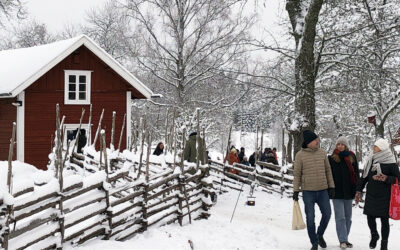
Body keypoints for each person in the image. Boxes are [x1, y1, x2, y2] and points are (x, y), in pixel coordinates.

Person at [293, 130, 335, 250]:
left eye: (317, 139)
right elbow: (297, 175)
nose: (317, 141)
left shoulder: (322, 153)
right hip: (308, 192)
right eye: (315, 139)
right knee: (310, 218)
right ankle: (314, 242)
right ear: (308, 142)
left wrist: (331, 186)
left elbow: (328, 170)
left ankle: (320, 234)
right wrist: (296, 191)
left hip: (323, 191)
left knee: (327, 214)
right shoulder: (300, 155)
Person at [355, 138, 400, 250]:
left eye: (375, 147)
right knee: (370, 217)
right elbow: (364, 177)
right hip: (371, 194)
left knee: (384, 220)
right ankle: (374, 235)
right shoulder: (371, 160)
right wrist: (358, 190)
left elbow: (398, 179)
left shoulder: (391, 162)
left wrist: (386, 178)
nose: (373, 148)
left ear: (382, 148)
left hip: (385, 196)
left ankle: (384, 244)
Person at [328, 136, 359, 249]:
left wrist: (357, 189)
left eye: (342, 144)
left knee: (348, 217)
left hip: (349, 191)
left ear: (346, 146)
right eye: (338, 144)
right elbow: (329, 174)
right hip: (337, 192)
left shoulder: (352, 157)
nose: (340, 146)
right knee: (340, 217)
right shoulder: (332, 158)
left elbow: (356, 174)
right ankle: (342, 240)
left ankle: (345, 239)